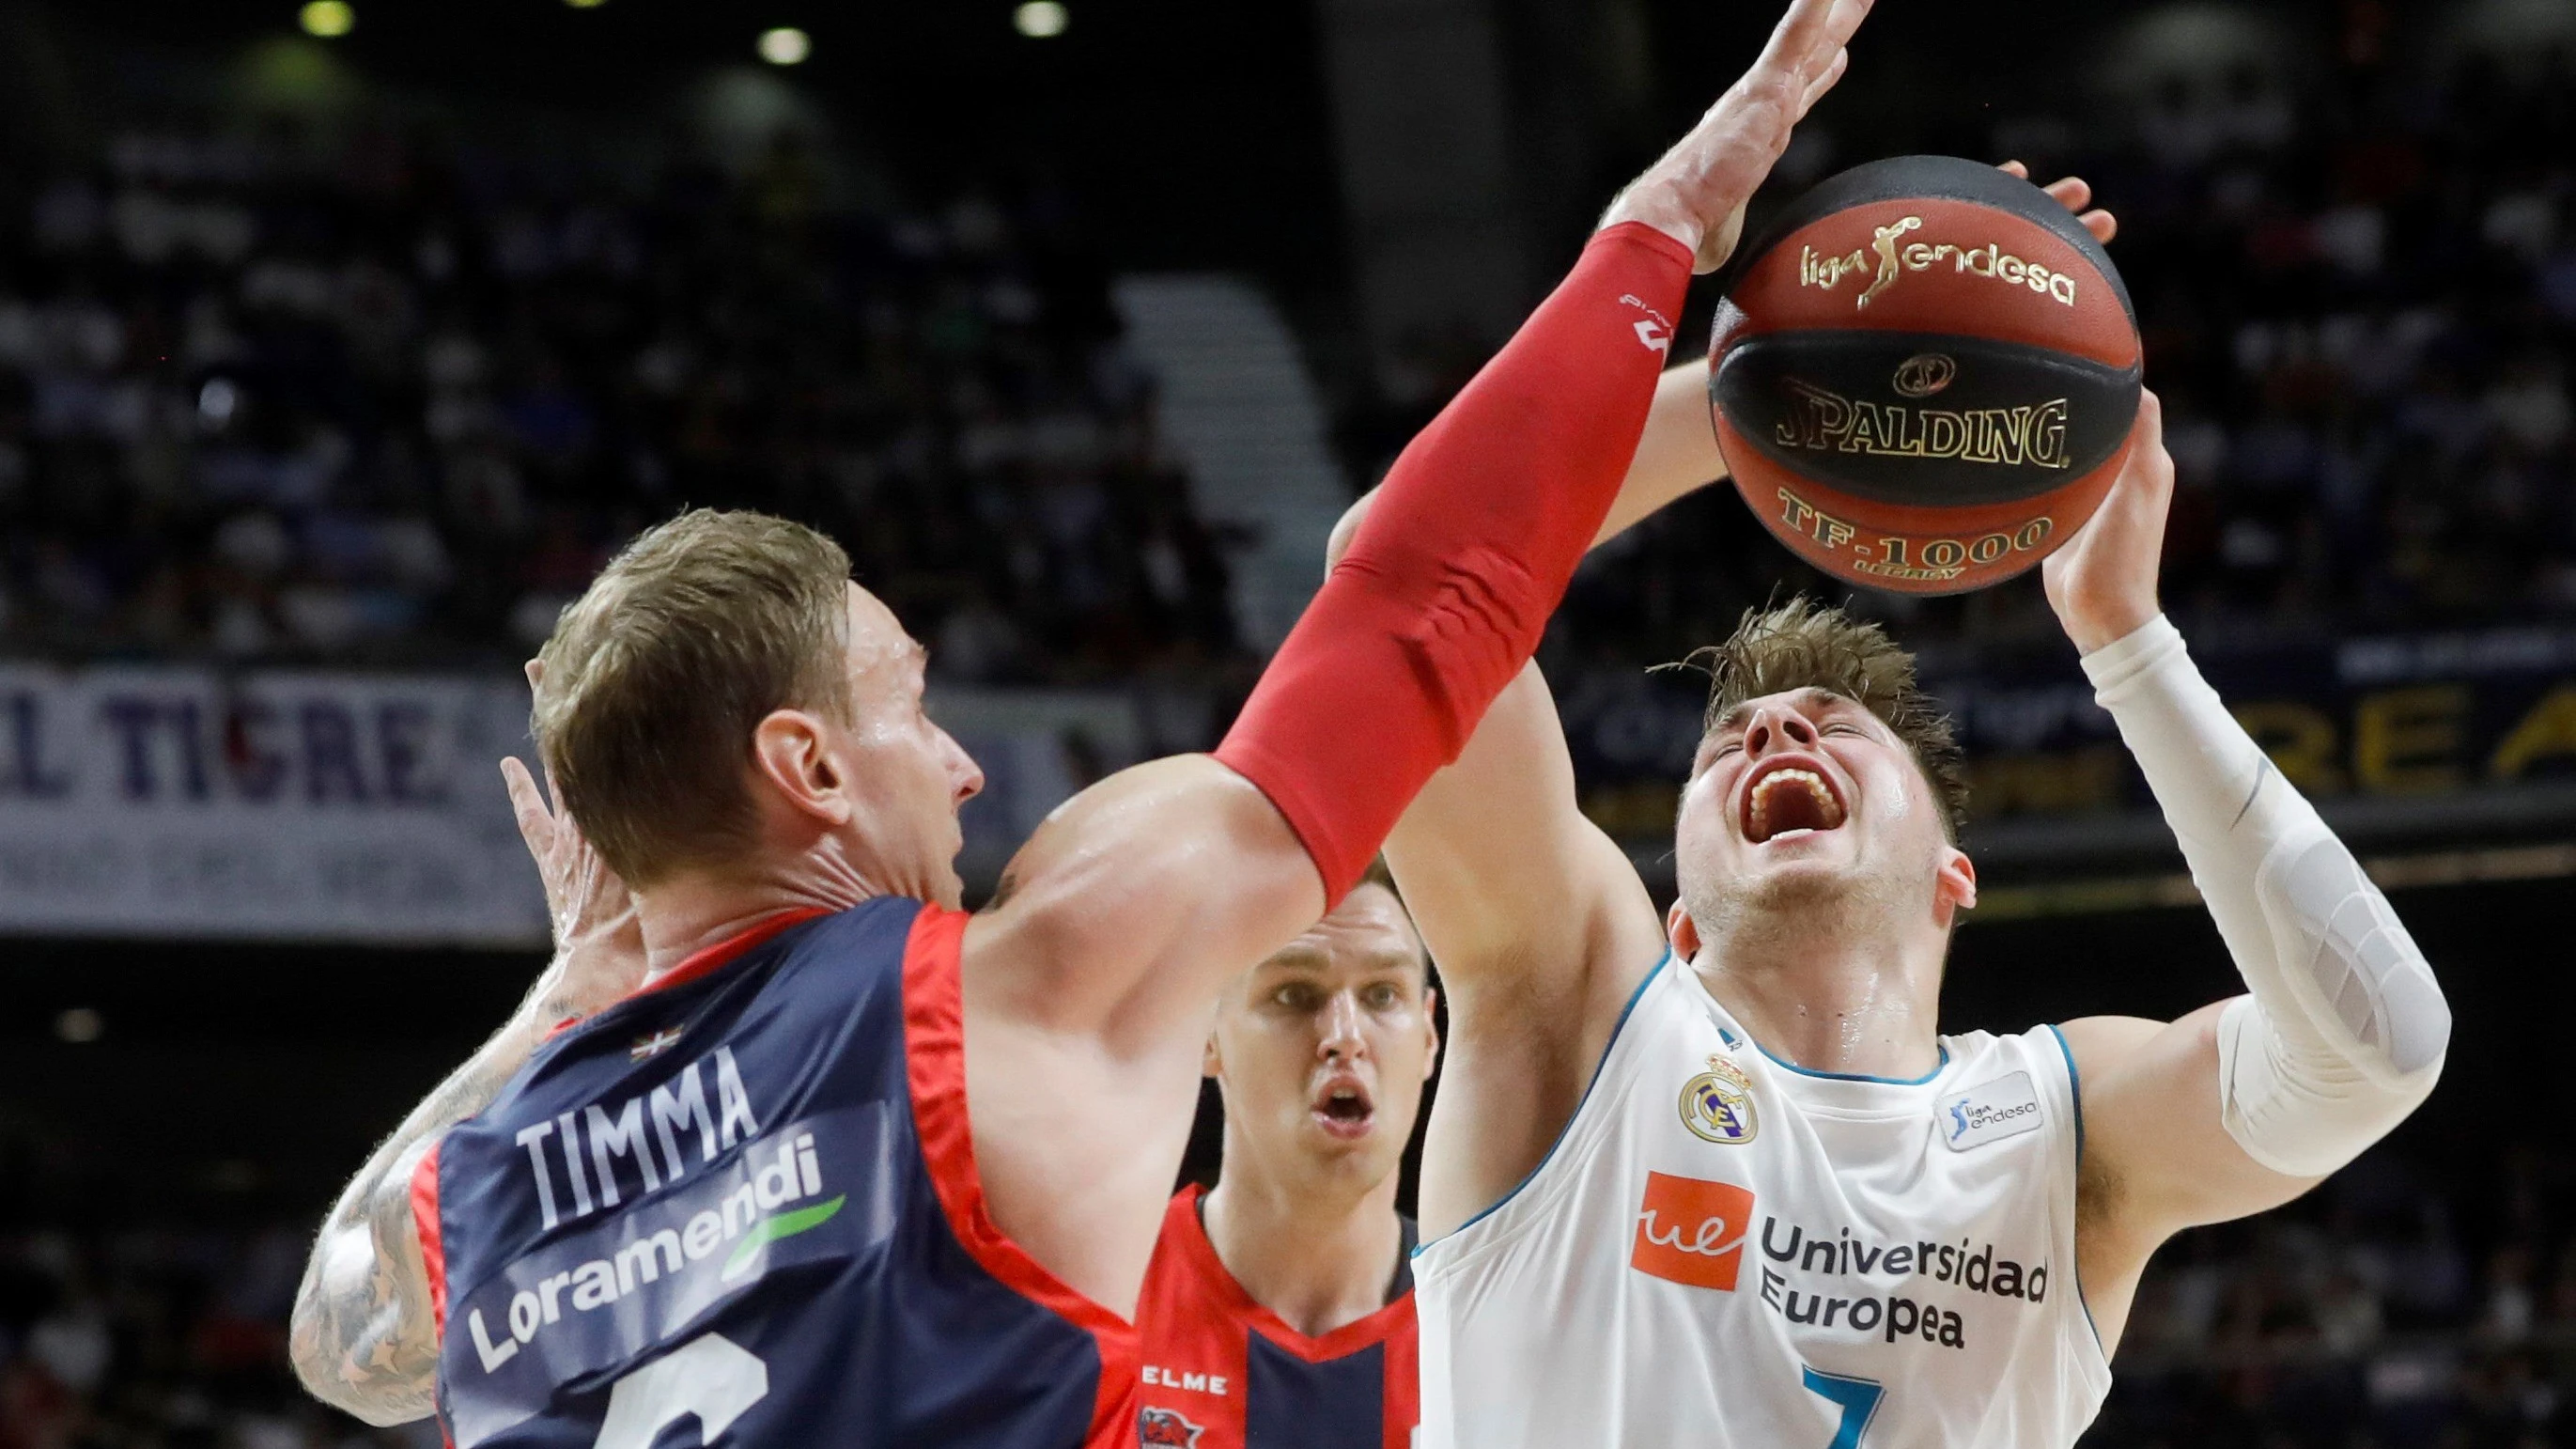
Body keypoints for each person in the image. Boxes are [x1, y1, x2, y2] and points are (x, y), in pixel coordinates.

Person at [281, 2, 1873, 1441]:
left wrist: (554, 1010)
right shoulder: (1010, 989)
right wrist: (1652, 237)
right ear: (808, 766)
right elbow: (1409, 602)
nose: (961, 762)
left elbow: (340, 1337)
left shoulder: (490, 1184)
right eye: (907, 704)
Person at [1356, 386, 2452, 1446]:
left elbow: (2375, 1048)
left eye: (1835, 725)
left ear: (1952, 872)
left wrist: (2130, 642)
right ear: (1677, 918)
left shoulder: (2064, 1129)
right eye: (1730, 743)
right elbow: (1403, 567)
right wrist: (1766, 391)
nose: (1777, 735)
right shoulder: (1585, 1022)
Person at [1135, 865, 1436, 1449]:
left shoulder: (1495, 1325)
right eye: (1294, 994)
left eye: (1382, 995)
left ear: (1428, 1037)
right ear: (1204, 1032)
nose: (1345, 1035)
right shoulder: (1100, 1300)